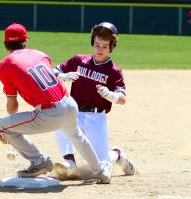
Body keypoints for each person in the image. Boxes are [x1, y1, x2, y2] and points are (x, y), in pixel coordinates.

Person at [0, 22, 112, 184]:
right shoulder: (40, 54)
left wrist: (10, 127)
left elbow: (12, 106)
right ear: (25, 42)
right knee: (76, 135)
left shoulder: (5, 65)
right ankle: (100, 170)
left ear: (6, 45)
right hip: (70, 104)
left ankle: (39, 161)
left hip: (50, 113)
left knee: (1, 126)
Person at [53, 22, 135, 180]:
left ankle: (117, 155)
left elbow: (122, 98)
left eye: (105, 46)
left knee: (101, 167)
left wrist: (112, 95)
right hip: (75, 113)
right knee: (59, 118)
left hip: (96, 118)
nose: (100, 49)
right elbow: (55, 71)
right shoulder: (78, 60)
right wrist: (61, 76)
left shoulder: (114, 71)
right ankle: (69, 161)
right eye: (97, 44)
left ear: (111, 47)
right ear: (92, 43)